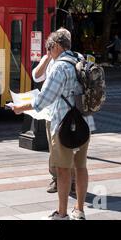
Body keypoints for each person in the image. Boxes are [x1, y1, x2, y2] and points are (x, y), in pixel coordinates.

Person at [12, 30, 95, 220]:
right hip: (85, 121)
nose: (49, 53)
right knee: (81, 167)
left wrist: (20, 107)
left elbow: (43, 100)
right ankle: (79, 210)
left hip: (64, 124)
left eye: (50, 49)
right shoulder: (81, 58)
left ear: (56, 46)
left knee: (63, 169)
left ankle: (62, 213)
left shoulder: (59, 67)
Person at [32, 28, 76, 195]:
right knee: (58, 150)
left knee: (62, 150)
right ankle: (59, 179)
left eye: (51, 46)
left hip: (59, 113)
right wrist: (47, 58)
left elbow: (45, 98)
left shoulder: (64, 63)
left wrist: (24, 106)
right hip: (64, 113)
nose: (49, 49)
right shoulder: (54, 59)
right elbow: (36, 76)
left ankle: (67, 182)